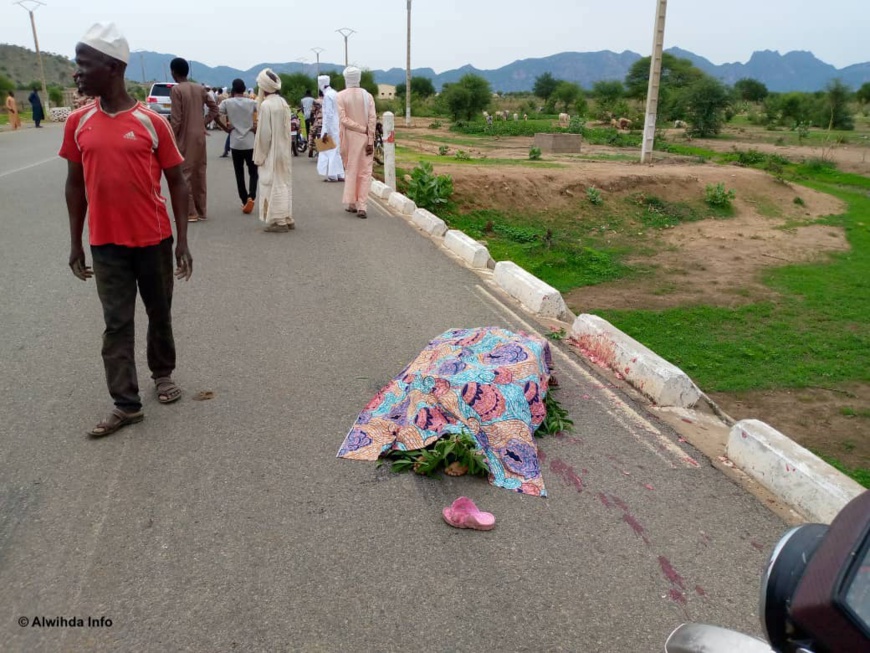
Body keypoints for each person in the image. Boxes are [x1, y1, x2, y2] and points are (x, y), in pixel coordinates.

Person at [59, 22, 193, 437]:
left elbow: (177, 180)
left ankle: (163, 373)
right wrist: (75, 242)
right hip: (105, 245)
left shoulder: (151, 122)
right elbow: (75, 183)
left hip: (153, 240)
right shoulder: (79, 122)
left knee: (159, 313)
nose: (77, 73)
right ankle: (126, 403)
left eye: (84, 64)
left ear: (113, 67)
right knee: (116, 323)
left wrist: (182, 240)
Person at [169, 57, 219, 222]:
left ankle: (191, 212)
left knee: (185, 174)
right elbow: (214, 109)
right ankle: (201, 210)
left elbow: (176, 120)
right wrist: (203, 122)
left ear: (173, 72)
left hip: (185, 137)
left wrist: (171, 138)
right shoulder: (200, 88)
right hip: (200, 137)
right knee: (199, 171)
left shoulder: (177, 91)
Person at [253, 69, 294, 233]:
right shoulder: (283, 103)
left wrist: (260, 155)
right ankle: (287, 217)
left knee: (272, 183)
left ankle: (278, 221)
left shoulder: (266, 105)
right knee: (284, 183)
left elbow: (264, 134)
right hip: (283, 151)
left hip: (271, 152)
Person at [336, 66, 376, 219]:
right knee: (365, 172)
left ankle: (352, 203)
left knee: (351, 169)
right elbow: (372, 119)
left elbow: (343, 119)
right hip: (365, 138)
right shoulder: (367, 96)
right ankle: (362, 206)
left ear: (346, 78)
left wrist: (360, 129)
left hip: (349, 138)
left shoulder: (340, 96)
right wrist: (369, 138)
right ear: (358, 78)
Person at [215, 78, 258, 214]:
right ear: (244, 89)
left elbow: (215, 115)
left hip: (235, 143)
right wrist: (255, 127)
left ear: (233, 90)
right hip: (250, 141)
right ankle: (252, 196)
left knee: (239, 173)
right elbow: (264, 113)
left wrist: (225, 128)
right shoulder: (252, 102)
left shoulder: (227, 102)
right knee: (253, 171)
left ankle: (244, 200)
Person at [317, 75, 345, 182]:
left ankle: (332, 175)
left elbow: (328, 114)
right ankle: (339, 174)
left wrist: (326, 132)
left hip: (329, 127)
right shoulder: (335, 93)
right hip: (337, 126)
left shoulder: (328, 96)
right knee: (336, 150)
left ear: (321, 84)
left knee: (328, 150)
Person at [307, 94, 323, 158]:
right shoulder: (330, 100)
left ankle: (310, 148)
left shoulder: (316, 101)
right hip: (328, 123)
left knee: (311, 134)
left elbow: (312, 111)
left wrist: (311, 121)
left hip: (318, 122)